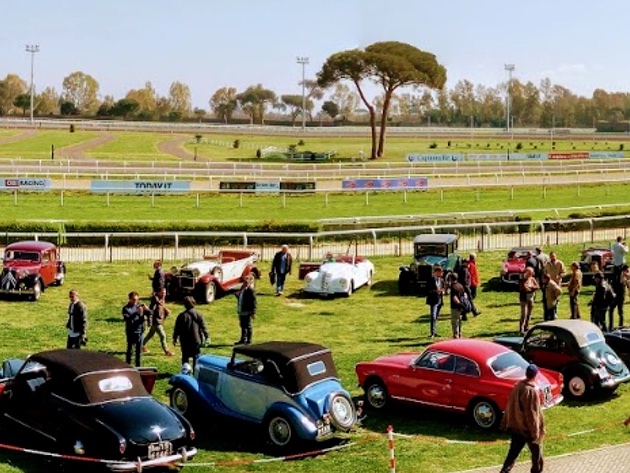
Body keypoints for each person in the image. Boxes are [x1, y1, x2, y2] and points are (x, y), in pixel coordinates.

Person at [499, 364, 545, 473]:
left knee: (512, 454)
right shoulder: (531, 391)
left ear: (526, 373)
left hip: (515, 426)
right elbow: (532, 413)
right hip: (527, 429)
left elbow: (509, 405)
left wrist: (505, 422)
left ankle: (504, 471)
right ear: (535, 375)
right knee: (537, 454)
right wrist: (535, 432)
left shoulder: (517, 386)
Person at [173, 296, 209, 371]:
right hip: (196, 340)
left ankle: (185, 372)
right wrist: (207, 336)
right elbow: (203, 326)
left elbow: (177, 328)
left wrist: (175, 338)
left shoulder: (182, 316)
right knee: (196, 357)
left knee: (185, 357)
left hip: (185, 341)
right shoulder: (199, 314)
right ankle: (195, 372)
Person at [122, 291, 152, 367]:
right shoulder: (126, 308)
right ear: (129, 299)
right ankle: (128, 366)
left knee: (139, 352)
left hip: (140, 332)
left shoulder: (140, 306)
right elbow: (127, 319)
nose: (135, 301)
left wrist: (147, 310)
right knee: (130, 351)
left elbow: (151, 313)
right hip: (131, 332)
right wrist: (136, 313)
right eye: (133, 299)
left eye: (136, 299)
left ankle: (138, 368)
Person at [143, 287, 174, 356]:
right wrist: (150, 321)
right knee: (163, 336)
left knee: (150, 335)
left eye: (165, 293)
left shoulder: (162, 299)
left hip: (159, 320)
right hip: (156, 322)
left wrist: (166, 311)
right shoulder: (155, 300)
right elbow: (151, 311)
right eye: (162, 292)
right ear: (158, 292)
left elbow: (162, 307)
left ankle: (141, 346)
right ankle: (166, 351)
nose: (164, 294)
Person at [234, 274, 257, 345]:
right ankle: (243, 339)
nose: (244, 283)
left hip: (247, 311)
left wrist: (253, 312)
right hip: (241, 310)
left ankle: (249, 341)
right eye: (244, 282)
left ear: (250, 282)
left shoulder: (251, 290)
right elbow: (242, 298)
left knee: (248, 326)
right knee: (242, 325)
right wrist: (237, 295)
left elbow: (254, 302)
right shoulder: (243, 289)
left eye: (246, 282)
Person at [425, 266, 445, 338]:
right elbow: (427, 290)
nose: (441, 274)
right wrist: (435, 291)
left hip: (439, 300)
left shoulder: (442, 280)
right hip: (433, 300)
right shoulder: (430, 280)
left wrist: (443, 291)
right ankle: (432, 333)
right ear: (436, 272)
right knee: (433, 316)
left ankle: (434, 331)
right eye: (440, 272)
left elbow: (443, 288)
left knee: (436, 317)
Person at [608, 264, 629, 331]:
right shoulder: (616, 276)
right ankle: (611, 325)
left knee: (620, 311)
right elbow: (612, 284)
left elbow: (624, 282)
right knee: (611, 310)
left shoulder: (625, 276)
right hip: (615, 295)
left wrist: (625, 275)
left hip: (620, 296)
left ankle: (621, 325)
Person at [519, 267, 539, 334]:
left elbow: (537, 286)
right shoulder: (522, 279)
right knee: (523, 314)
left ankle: (527, 326)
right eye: (529, 273)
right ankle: (521, 328)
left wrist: (532, 287)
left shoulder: (532, 279)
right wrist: (532, 288)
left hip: (531, 297)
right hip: (524, 298)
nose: (530, 274)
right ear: (526, 272)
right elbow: (525, 288)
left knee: (529, 313)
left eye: (531, 273)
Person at [448, 273, 466, 339]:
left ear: (451, 279)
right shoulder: (460, 285)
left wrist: (458, 303)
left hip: (455, 306)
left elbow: (454, 297)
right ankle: (460, 334)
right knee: (459, 320)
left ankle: (455, 335)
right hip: (461, 306)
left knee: (454, 321)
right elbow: (464, 295)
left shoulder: (453, 286)